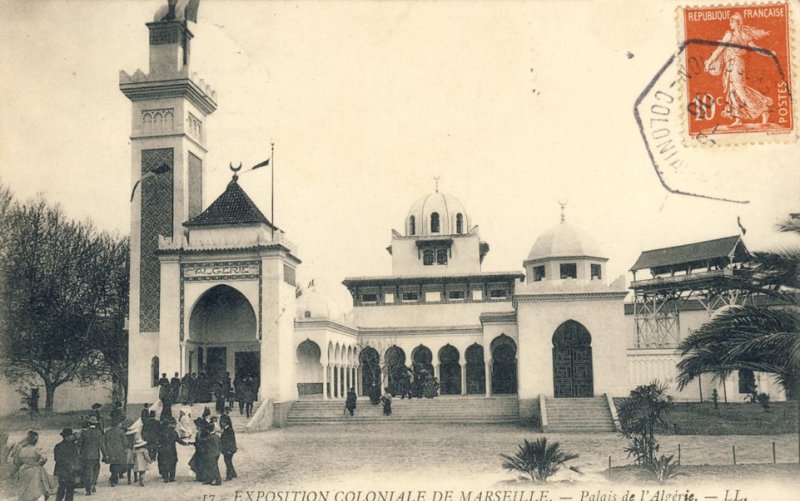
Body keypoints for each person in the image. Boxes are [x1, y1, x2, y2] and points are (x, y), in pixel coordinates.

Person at [704, 13, 774, 126]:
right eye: (730, 21)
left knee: (740, 90)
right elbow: (720, 50)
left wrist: (709, 62)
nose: (730, 24)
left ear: (738, 23)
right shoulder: (740, 35)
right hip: (731, 65)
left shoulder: (732, 35)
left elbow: (719, 50)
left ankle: (762, 109)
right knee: (732, 91)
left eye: (732, 22)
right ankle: (737, 118)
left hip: (736, 65)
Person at [14, 430, 50, 501]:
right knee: (37, 489)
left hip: (23, 470)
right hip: (35, 471)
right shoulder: (36, 449)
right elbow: (45, 458)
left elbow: (16, 462)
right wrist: (39, 464)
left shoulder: (21, 450)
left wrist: (25, 463)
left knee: (25, 490)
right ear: (35, 440)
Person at [78, 415, 107, 496]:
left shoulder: (84, 433)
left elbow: (79, 444)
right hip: (95, 455)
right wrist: (105, 455)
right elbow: (102, 445)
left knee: (87, 472)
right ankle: (93, 483)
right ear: (96, 424)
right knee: (96, 469)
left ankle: (88, 489)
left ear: (88, 424)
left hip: (85, 456)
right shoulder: (99, 433)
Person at [157, 417, 187, 483]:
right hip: (172, 451)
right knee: (173, 463)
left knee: (165, 463)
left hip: (163, 450)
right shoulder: (174, 433)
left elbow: (159, 441)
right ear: (171, 424)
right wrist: (186, 443)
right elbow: (179, 441)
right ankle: (171, 478)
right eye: (174, 424)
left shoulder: (162, 432)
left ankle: (166, 478)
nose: (175, 425)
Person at [54, 428, 79, 501]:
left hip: (61, 471)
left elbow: (56, 459)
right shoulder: (73, 446)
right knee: (70, 490)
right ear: (68, 436)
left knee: (61, 488)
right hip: (70, 470)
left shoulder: (58, 446)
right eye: (71, 435)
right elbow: (76, 458)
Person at [104, 420, 128, 487]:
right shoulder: (121, 432)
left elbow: (104, 442)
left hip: (110, 451)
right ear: (118, 424)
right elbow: (125, 442)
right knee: (117, 465)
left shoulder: (107, 432)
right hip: (119, 451)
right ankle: (113, 479)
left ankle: (114, 478)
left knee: (113, 464)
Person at [219, 415, 237, 481]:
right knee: (229, 461)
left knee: (227, 462)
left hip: (228, 449)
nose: (222, 423)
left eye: (223, 422)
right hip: (227, 449)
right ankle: (233, 473)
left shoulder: (229, 430)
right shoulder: (227, 429)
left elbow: (231, 441)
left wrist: (229, 450)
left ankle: (229, 476)